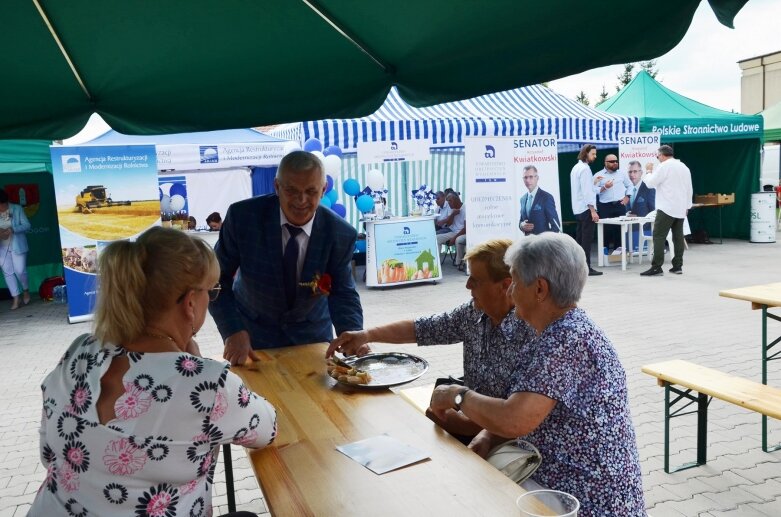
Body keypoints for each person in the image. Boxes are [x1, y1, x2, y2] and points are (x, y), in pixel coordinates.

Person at [30, 227, 277, 516]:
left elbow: (49, 454)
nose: (210, 301)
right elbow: (267, 428)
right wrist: (195, 366)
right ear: (190, 303)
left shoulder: (80, 351)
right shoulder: (207, 384)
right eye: (210, 292)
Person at [429, 233, 645, 516]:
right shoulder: (562, 330)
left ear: (540, 289)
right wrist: (489, 435)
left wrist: (457, 395)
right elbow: (526, 412)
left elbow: (514, 419)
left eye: (515, 283)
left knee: (455, 496)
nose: (510, 292)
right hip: (563, 479)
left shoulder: (565, 340)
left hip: (585, 498)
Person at [326, 239, 534, 442]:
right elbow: (421, 329)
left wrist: (467, 424)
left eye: (476, 280)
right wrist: (366, 335)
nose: (467, 285)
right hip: (469, 421)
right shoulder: (473, 313)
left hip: (509, 444)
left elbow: (523, 415)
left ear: (505, 286)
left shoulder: (532, 332)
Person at [209, 151, 363, 365]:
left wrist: (352, 333)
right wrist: (232, 330)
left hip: (312, 337)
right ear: (277, 186)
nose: (301, 201)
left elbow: (342, 291)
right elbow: (215, 281)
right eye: (291, 190)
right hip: (252, 337)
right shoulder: (243, 218)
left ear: (323, 190)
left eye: (311, 191)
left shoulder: (340, 234)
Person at [640, 145, 692, 276]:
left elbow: (651, 183)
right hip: (680, 208)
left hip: (666, 207)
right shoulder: (684, 167)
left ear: (662, 155)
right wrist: (687, 206)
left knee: (658, 236)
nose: (657, 158)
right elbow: (689, 189)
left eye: (657, 156)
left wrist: (648, 171)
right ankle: (677, 266)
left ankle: (657, 266)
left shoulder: (664, 166)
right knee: (678, 237)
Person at [569, 144, 602, 276]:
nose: (595, 156)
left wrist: (596, 185)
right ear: (586, 153)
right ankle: (586, 268)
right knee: (586, 240)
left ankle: (578, 267)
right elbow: (587, 193)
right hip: (585, 208)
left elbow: (584, 188)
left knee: (580, 240)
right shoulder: (585, 169)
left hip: (578, 209)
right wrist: (593, 211)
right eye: (593, 154)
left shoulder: (576, 168)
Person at [0, 187, 31, 310]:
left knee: (19, 270)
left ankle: (26, 290)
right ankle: (15, 297)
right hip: (1, 247)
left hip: (17, 245)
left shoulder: (17, 209)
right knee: (7, 272)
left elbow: (27, 225)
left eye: (2, 205)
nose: (1, 207)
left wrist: (13, 229)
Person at [593, 154, 633, 249]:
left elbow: (630, 185)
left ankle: (618, 255)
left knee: (619, 230)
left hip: (619, 205)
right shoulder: (598, 175)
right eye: (612, 161)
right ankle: (604, 255)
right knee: (606, 231)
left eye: (616, 161)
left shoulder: (622, 174)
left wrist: (627, 197)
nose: (615, 163)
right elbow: (592, 190)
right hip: (605, 206)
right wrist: (604, 187)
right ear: (605, 163)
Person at [518, 165, 560, 235]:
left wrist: (545, 241)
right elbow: (521, 221)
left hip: (542, 244)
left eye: (531, 177)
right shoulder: (523, 199)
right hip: (528, 244)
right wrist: (521, 226)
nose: (528, 180)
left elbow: (556, 226)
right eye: (525, 177)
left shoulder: (546, 197)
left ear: (537, 178)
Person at [436, 192, 467, 266]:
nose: (449, 204)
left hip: (462, 232)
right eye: (448, 202)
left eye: (450, 201)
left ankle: (459, 263)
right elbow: (449, 224)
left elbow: (466, 228)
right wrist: (453, 214)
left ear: (457, 200)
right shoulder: (452, 208)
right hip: (453, 231)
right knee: (436, 238)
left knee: (458, 240)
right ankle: (437, 264)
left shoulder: (465, 208)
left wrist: (454, 237)